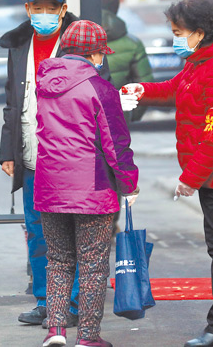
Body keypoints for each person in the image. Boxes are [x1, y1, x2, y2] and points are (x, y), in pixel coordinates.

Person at [123, 0, 213, 347]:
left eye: (179, 33)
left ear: (200, 33)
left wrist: (190, 177)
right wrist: (143, 90)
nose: (175, 40)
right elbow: (175, 89)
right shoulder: (202, 61)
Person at [0, 0, 110, 327]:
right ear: (28, 9)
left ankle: (74, 304)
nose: (44, 14)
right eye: (38, 8)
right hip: (33, 155)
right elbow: (11, 102)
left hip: (73, 159)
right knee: (37, 231)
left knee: (75, 235)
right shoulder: (20, 46)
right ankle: (47, 301)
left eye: (51, 8)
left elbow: (102, 97)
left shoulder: (79, 42)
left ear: (63, 10)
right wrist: (9, 151)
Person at [35, 20, 138, 347]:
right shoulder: (99, 88)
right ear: (94, 53)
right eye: (99, 54)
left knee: (58, 260)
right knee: (93, 264)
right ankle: (89, 337)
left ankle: (55, 330)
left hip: (50, 185)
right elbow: (116, 143)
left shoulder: (44, 83)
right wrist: (129, 184)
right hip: (91, 187)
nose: (101, 60)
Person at [100, 0, 154, 122]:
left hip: (84, 121)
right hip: (117, 119)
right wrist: (130, 115)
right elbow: (144, 85)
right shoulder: (133, 44)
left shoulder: (74, 39)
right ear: (116, 8)